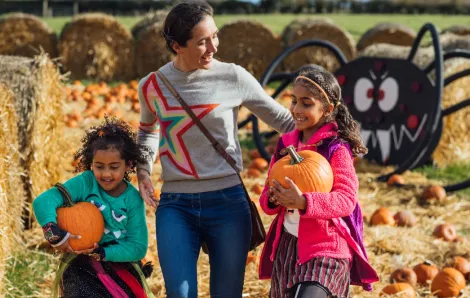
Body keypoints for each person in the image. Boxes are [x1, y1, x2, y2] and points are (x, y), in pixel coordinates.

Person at [135, 1, 295, 297]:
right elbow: (148, 130)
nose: (213, 47)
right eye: (202, 42)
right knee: (180, 294)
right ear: (176, 46)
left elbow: (284, 121)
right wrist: (143, 171)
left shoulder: (233, 76)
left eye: (215, 36)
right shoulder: (152, 86)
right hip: (175, 205)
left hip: (228, 204)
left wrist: (330, 138)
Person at [258, 65, 379, 298]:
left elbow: (346, 200)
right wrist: (274, 198)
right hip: (287, 248)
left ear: (327, 109)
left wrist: (303, 201)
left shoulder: (335, 148)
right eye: (294, 101)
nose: (297, 109)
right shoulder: (285, 146)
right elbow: (265, 201)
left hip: (326, 248)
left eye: (307, 103)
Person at [32, 117, 154, 298]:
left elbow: (138, 246)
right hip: (81, 265)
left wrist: (102, 252)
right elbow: (43, 201)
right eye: (99, 166)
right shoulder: (86, 182)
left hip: (119, 264)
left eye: (114, 167)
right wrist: (53, 232)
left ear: (128, 165)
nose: (106, 174)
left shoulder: (132, 199)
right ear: (91, 164)